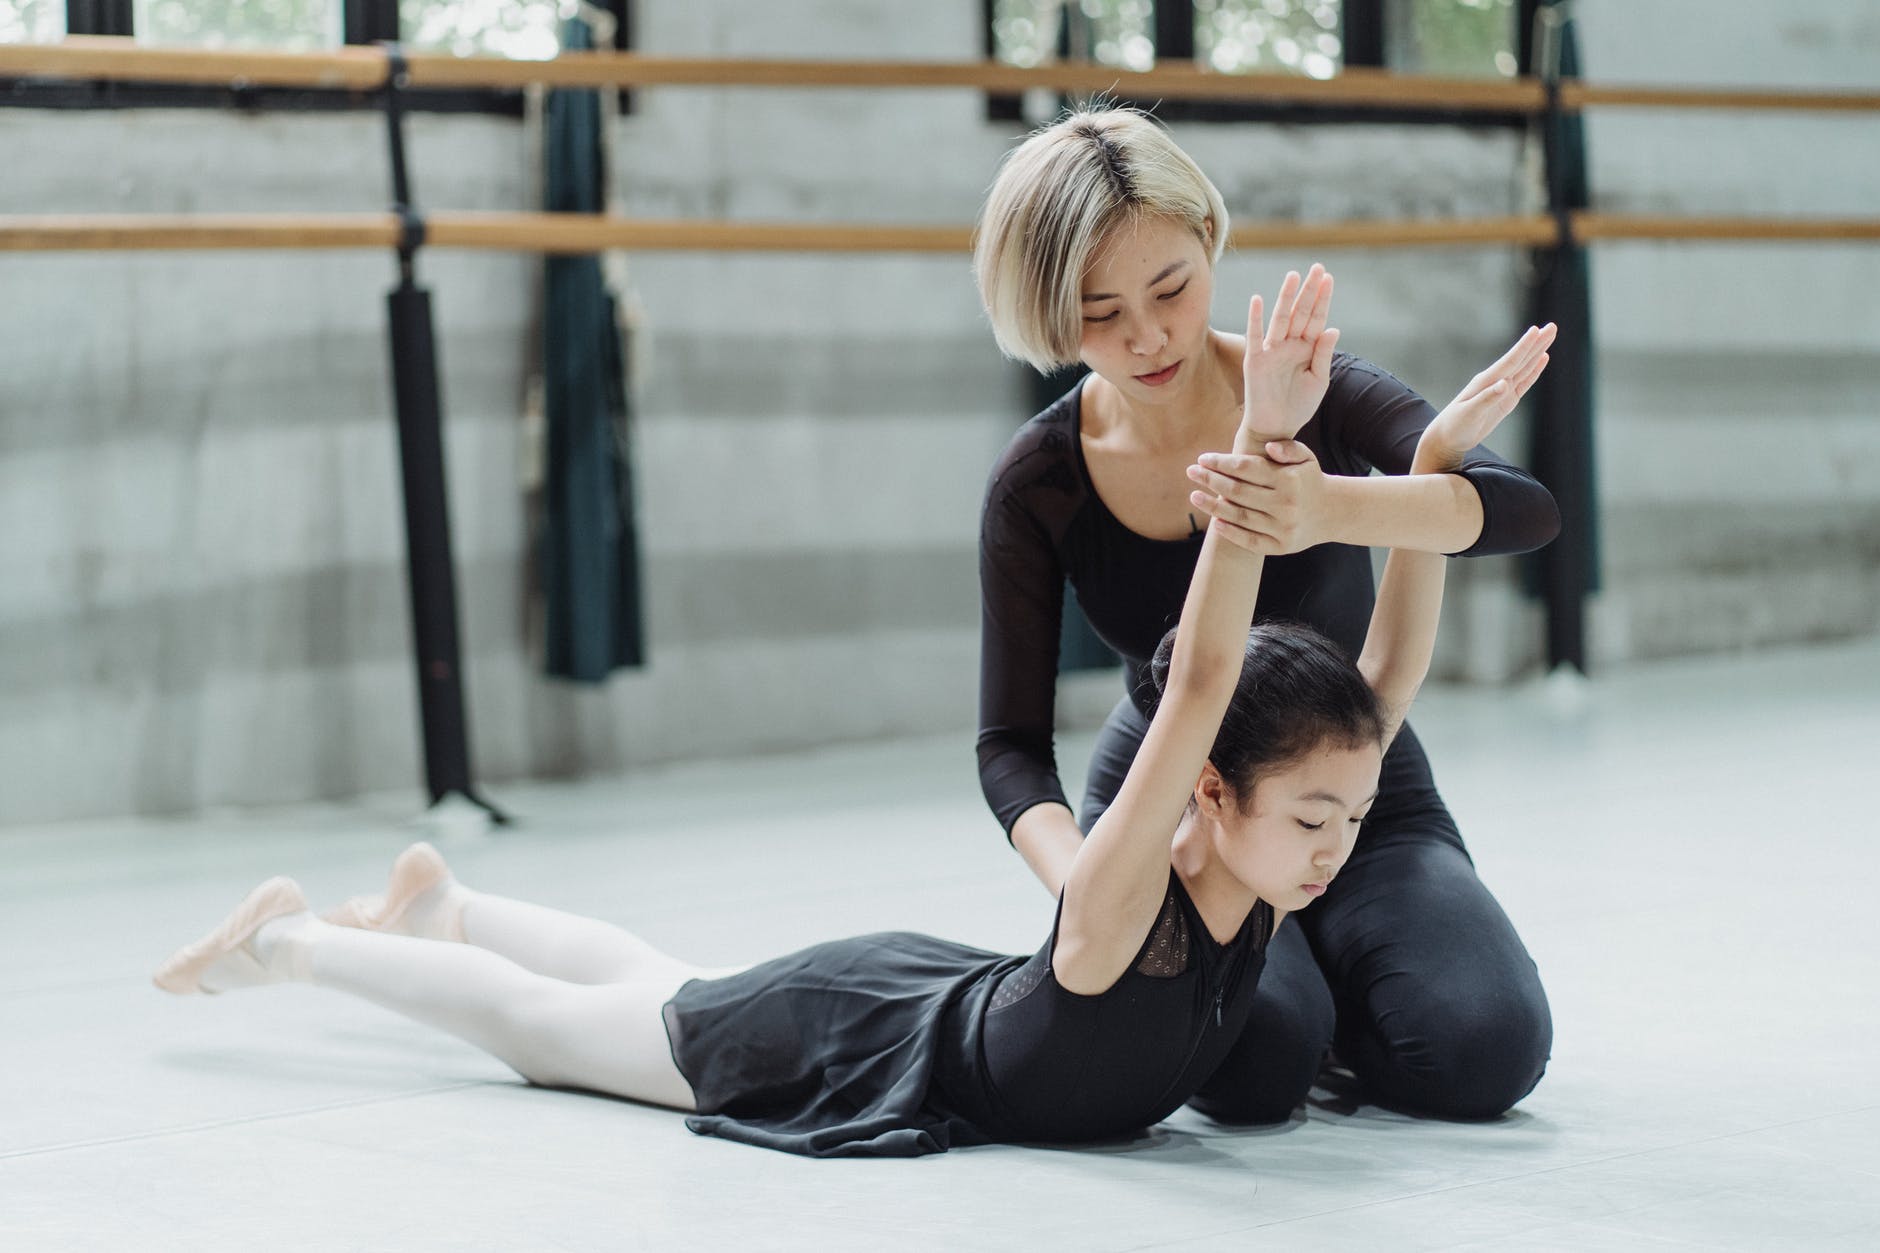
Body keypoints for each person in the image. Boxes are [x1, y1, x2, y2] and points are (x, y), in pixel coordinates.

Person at [153, 268, 1553, 1158]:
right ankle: (285, 945)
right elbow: (1195, 678)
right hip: (859, 1040)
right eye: (1313, 817)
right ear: (1209, 796)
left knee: (655, 986)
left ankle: (443, 899)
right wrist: (1258, 454)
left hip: (925, 996)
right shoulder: (1127, 898)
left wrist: (1432, 467)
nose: (1333, 851)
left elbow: (1397, 659)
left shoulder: (1268, 858)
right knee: (556, 1034)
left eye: (1348, 818)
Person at [974, 106, 1559, 1122]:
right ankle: (1312, 998)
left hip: (1353, 772)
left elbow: (1520, 507)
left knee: (1483, 1048)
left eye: (1168, 287)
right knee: (1256, 1066)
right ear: (1044, 311)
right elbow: (1008, 747)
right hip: (1182, 797)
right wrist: (1093, 884)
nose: (1146, 334)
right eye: (1098, 312)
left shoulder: (1306, 393)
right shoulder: (1037, 480)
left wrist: (1325, 502)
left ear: (1209, 238)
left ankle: (1338, 957)